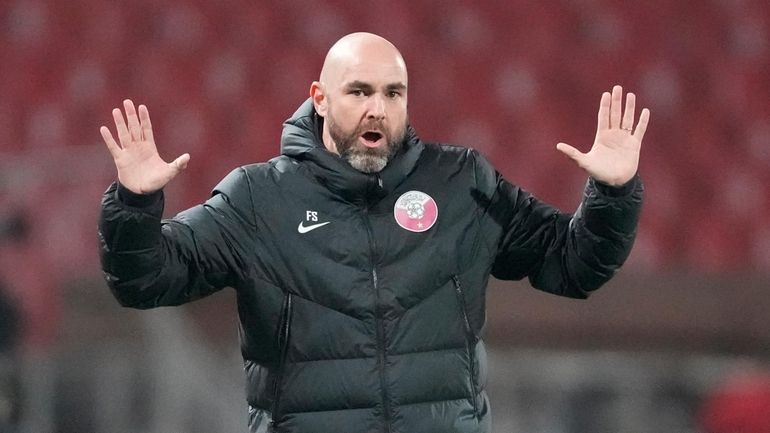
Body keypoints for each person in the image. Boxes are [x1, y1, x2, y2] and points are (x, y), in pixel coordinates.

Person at [98, 32, 648, 433]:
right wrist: (135, 203)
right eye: (359, 91)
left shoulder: (462, 184)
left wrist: (613, 195)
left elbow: (572, 264)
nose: (378, 109)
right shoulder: (258, 199)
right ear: (319, 98)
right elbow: (145, 280)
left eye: (393, 93)